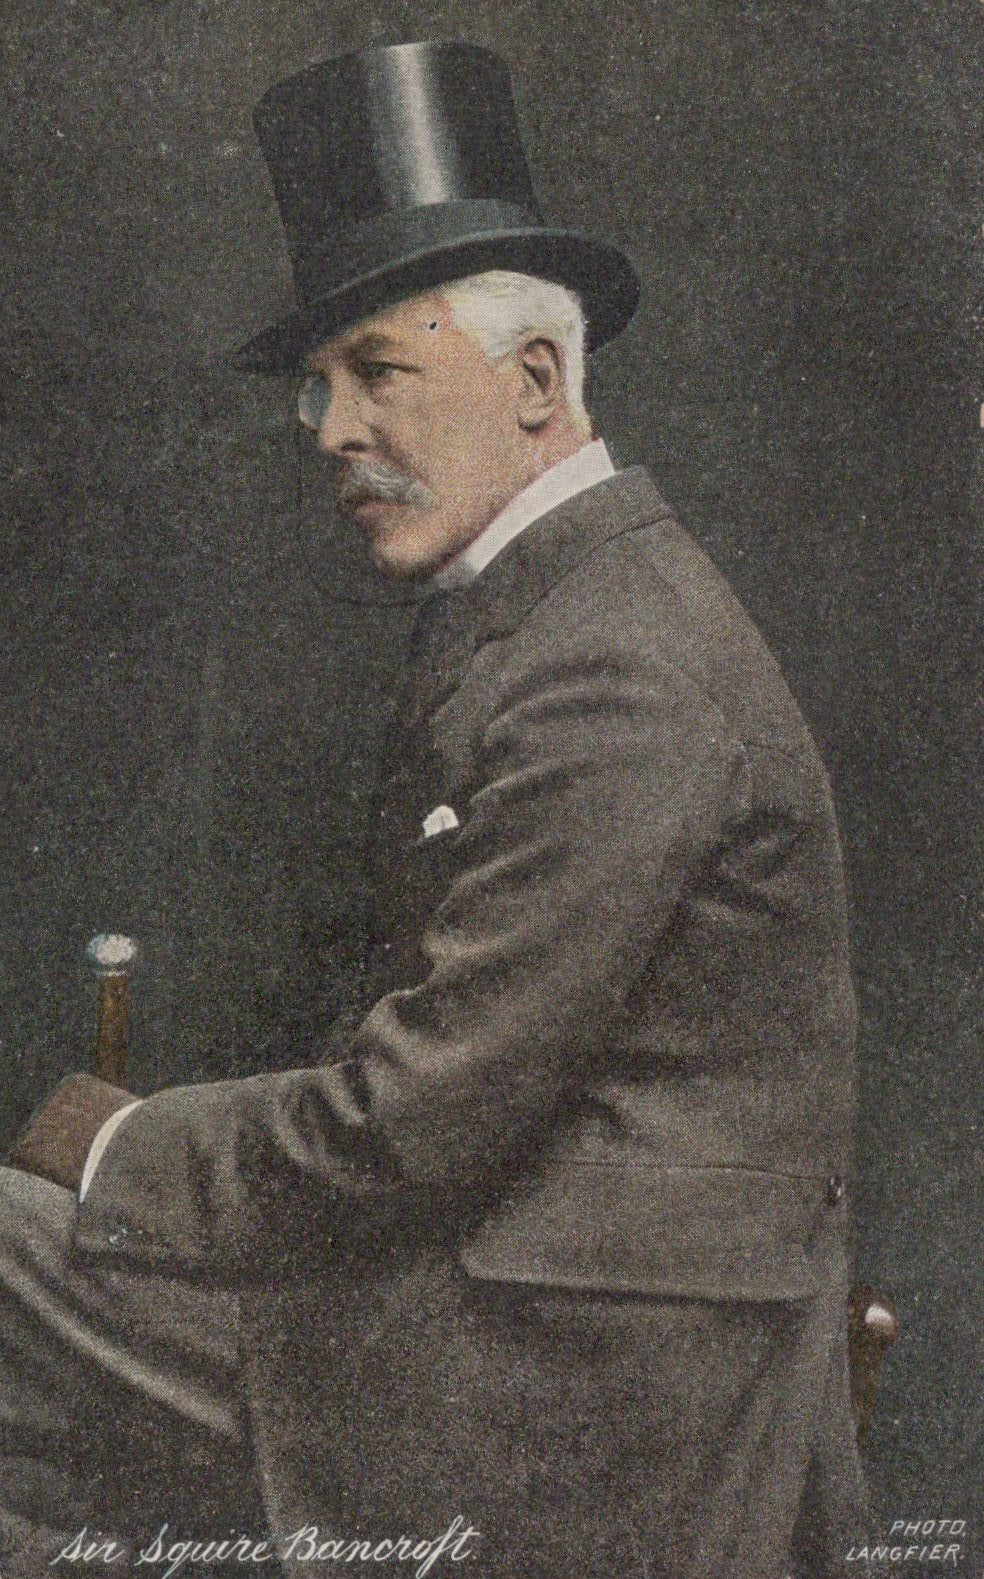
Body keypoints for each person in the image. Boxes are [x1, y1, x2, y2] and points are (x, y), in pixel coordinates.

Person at [1, 41, 870, 1579]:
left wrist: (121, 1146)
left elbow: (409, 1122)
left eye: (378, 371)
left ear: (537, 381)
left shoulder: (616, 666)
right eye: (317, 387)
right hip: (537, 1301)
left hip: (579, 1381)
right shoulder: (563, 609)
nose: (329, 429)